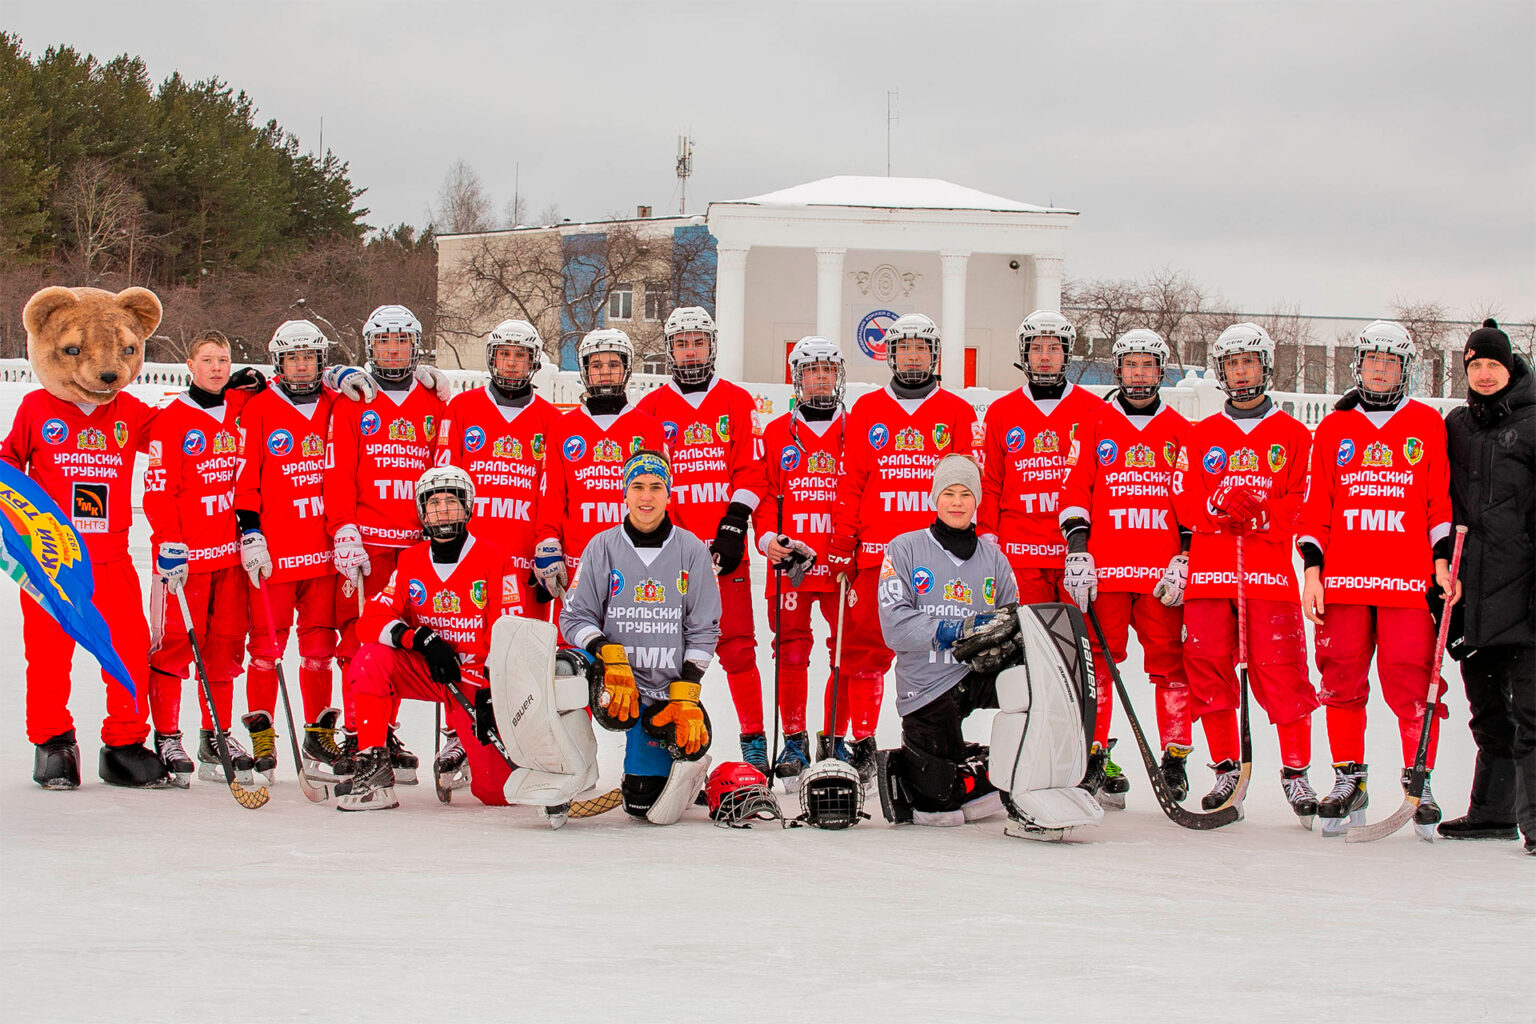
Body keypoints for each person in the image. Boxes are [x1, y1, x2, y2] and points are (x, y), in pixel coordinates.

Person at [1296, 320, 1454, 836]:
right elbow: (1317, 507)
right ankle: (1350, 779)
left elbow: (1437, 502)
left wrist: (1441, 562)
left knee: (1412, 680)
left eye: (1390, 361)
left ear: (1405, 368)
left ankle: (1419, 781)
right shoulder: (1334, 428)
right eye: (1372, 360)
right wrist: (1313, 572)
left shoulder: (1425, 423)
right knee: (1341, 679)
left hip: (1406, 581)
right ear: (1358, 366)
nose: (1380, 369)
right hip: (1344, 580)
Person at [1173, 322, 1319, 822]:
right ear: (1222, 371)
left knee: (1282, 671)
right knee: (1207, 667)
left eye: (1249, 362)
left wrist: (1264, 514)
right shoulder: (1201, 435)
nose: (1240, 372)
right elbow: (1183, 498)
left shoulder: (1294, 435)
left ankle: (1296, 773)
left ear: (1265, 367)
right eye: (1232, 364)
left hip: (1268, 577)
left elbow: (1304, 501)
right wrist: (1214, 506)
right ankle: (1226, 769)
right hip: (1211, 577)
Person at [824, 313, 979, 781]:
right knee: (863, 654)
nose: (913, 357)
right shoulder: (867, 409)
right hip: (878, 554)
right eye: (904, 348)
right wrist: (843, 540)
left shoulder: (957, 411)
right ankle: (861, 741)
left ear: (934, 356)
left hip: (937, 558)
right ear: (890, 355)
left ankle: (934, 743)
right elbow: (851, 481)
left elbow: (969, 486)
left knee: (938, 654)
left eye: (921, 349)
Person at [979, 311, 1117, 789]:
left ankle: (1094, 751)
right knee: (1035, 657)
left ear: (1066, 354)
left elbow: (1103, 483)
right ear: (1024, 355)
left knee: (1089, 655)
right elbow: (991, 482)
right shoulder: (1001, 412)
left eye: (1053, 348)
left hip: (1076, 554)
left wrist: (1090, 546)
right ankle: (1043, 748)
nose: (1045, 357)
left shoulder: (1094, 411)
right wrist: (989, 538)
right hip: (1022, 552)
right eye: (1036, 348)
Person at [1057, 328, 1194, 807]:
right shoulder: (1093, 424)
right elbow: (1075, 489)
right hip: (1108, 570)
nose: (1139, 374)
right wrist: (1078, 547)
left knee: (1171, 665)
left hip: (1160, 576)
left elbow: (1190, 502)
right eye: (1131, 365)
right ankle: (1095, 753)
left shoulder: (1181, 430)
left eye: (1147, 365)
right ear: (1118, 370)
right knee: (1098, 661)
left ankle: (1175, 757)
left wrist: (1186, 556)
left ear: (1160, 371)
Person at [335, 466, 524, 811]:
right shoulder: (411, 560)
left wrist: (489, 688)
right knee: (370, 658)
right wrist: (417, 638)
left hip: (474, 681)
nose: (443, 511)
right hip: (428, 671)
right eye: (434, 504)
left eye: (451, 502)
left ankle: (471, 749)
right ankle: (374, 767)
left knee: (498, 793)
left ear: (467, 507)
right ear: (422, 512)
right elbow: (370, 621)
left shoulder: (494, 558)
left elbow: (508, 631)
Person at [636, 307, 768, 772]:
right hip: (671, 552)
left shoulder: (737, 400)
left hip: (723, 551)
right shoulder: (651, 408)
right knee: (667, 653)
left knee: (737, 648)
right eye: (681, 343)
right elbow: (647, 482)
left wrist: (733, 525)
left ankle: (754, 741)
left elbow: (752, 471)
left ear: (712, 346)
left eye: (698, 342)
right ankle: (671, 740)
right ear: (669, 349)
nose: (690, 352)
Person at [559, 451, 722, 822]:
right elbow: (574, 616)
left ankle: (672, 767)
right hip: (611, 676)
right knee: (561, 668)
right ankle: (565, 768)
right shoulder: (602, 546)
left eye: (655, 487)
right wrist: (606, 652)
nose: (646, 496)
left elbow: (704, 627)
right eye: (637, 487)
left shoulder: (692, 550)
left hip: (663, 694)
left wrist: (688, 690)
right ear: (624, 493)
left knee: (641, 802)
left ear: (669, 494)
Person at [325, 304, 448, 782]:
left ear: (415, 346)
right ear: (370, 347)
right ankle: (358, 733)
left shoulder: (433, 401)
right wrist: (343, 527)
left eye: (401, 341)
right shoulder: (354, 399)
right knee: (360, 638)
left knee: (403, 642)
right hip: (369, 543)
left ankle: (386, 730)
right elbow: (338, 471)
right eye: (383, 342)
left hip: (416, 545)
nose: (392, 350)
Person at [143, 330, 264, 785]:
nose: (216, 368)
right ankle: (167, 735)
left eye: (223, 360)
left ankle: (216, 734)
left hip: (229, 557)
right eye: (208, 360)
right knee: (175, 644)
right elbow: (159, 489)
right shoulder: (172, 417)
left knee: (225, 647)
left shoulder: (239, 408)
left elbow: (292, 386)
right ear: (190, 365)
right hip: (185, 559)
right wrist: (169, 541)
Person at [874, 454, 1018, 825]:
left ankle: (1014, 768)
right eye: (949, 493)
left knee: (1035, 688)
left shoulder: (995, 559)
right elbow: (895, 626)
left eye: (966, 494)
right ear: (934, 498)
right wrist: (954, 630)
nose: (957, 502)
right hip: (926, 684)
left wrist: (1009, 644)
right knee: (936, 809)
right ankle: (971, 771)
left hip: (976, 673)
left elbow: (1012, 618)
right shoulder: (904, 548)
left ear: (977, 500)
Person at [1439, 319, 1535, 853]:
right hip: (1474, 593)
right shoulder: (1457, 425)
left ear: (1511, 368)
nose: (1485, 374)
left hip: (1526, 592)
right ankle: (1492, 813)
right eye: (1476, 365)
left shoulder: (1534, 422)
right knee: (1489, 712)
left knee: (1531, 714)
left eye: (1494, 364)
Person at [235, 319, 343, 780]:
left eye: (310, 358)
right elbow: (246, 475)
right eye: (293, 358)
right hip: (276, 552)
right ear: (278, 362)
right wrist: (250, 531)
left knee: (320, 647)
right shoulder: (260, 408)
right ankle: (263, 737)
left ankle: (318, 734)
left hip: (324, 551)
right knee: (266, 647)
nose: (302, 366)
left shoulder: (337, 404)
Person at [751, 336, 848, 783]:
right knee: (790, 649)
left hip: (841, 561)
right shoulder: (775, 433)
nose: (821, 379)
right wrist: (768, 539)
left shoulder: (857, 430)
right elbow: (765, 495)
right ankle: (793, 740)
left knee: (845, 651)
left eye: (828, 370)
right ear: (798, 379)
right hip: (794, 565)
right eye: (812, 371)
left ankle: (835, 738)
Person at [532, 328, 666, 606]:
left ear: (626, 370)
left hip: (635, 558)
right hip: (577, 560)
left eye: (613, 364)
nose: (605, 372)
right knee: (576, 633)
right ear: (585, 371)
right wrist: (548, 542)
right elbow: (552, 495)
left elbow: (662, 497)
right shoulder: (563, 427)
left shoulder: (649, 427)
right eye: (596, 365)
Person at [440, 319, 561, 620]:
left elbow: (553, 493)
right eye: (504, 354)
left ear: (533, 362)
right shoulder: (461, 408)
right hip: (470, 553)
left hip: (526, 561)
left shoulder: (552, 419)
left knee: (523, 645)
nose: (511, 363)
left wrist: (547, 547)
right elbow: (444, 481)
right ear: (493, 358)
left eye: (520, 355)